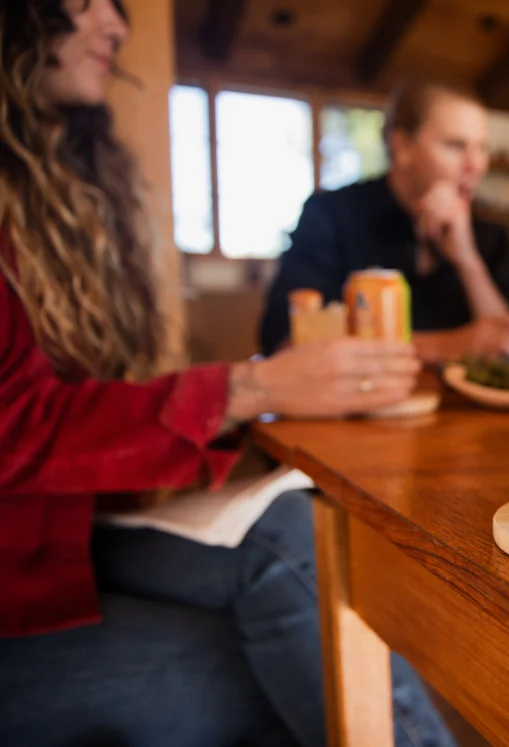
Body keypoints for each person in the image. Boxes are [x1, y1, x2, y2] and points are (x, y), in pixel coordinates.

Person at [0, 3, 454, 746]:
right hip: (24, 573)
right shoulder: (334, 212)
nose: (115, 24)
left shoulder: (61, 187)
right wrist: (250, 388)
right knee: (311, 660)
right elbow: (16, 424)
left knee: (296, 550)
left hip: (69, 533)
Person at [260, 80, 509, 363]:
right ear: (402, 147)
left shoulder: (491, 233)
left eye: (482, 148)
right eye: (455, 145)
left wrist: (467, 259)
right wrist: (446, 346)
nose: (476, 165)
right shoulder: (331, 215)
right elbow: (286, 339)